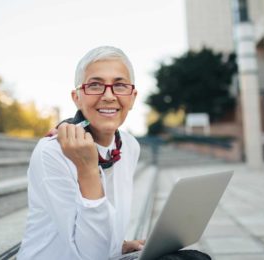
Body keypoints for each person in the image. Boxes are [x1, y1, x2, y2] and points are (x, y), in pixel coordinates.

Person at [17, 46, 211, 260]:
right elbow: (90, 256)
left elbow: (100, 241)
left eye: (119, 85)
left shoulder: (129, 145)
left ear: (133, 97)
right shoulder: (52, 152)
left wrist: (119, 246)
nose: (109, 96)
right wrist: (88, 170)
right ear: (77, 97)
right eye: (95, 85)